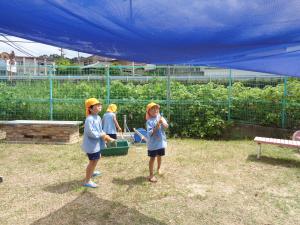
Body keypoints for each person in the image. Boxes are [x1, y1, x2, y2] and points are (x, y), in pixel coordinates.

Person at [81, 98, 115, 188]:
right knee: (92, 161)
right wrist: (103, 135)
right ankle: (87, 181)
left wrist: (106, 136)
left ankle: (91, 172)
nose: (99, 106)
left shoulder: (98, 117)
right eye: (96, 105)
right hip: (91, 145)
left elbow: (100, 130)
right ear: (90, 109)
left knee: (97, 158)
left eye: (100, 104)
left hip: (96, 144)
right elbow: (91, 132)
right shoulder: (89, 119)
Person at [145, 102, 168, 182]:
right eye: (153, 109)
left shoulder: (161, 117)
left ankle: (159, 168)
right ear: (149, 112)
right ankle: (151, 175)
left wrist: (162, 123)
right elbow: (150, 133)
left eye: (156, 108)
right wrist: (156, 127)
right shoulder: (149, 122)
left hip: (160, 142)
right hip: (153, 144)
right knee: (152, 158)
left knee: (159, 156)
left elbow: (166, 126)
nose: (155, 110)